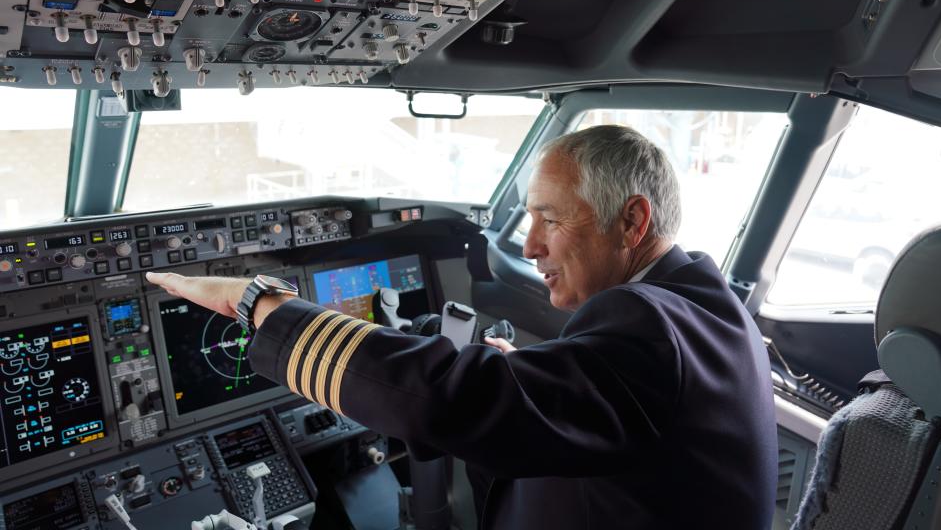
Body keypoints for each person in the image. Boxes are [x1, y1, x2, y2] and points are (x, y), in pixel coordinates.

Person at [147, 124, 777, 529]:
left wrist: (259, 302)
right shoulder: (701, 309)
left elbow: (452, 397)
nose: (529, 247)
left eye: (549, 220)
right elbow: (602, 400)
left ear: (633, 222)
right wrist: (513, 371)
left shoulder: (650, 322)